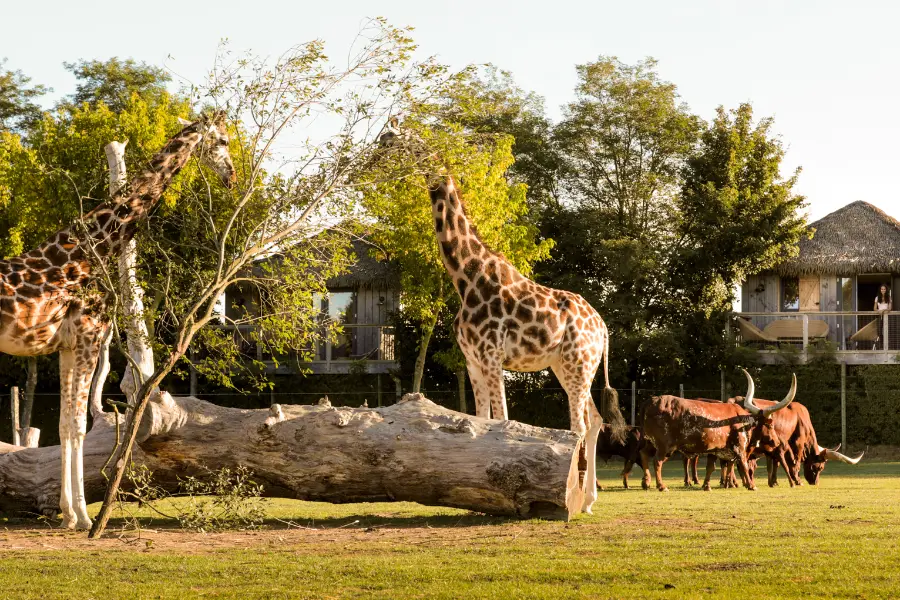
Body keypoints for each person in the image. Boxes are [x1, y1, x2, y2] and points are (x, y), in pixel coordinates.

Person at [874, 284, 892, 349]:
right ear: (880, 290)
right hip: (879, 316)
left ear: (886, 290)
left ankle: (887, 346)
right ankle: (881, 346)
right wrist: (879, 311)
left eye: (884, 289)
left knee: (886, 331)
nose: (883, 290)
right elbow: (874, 308)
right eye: (882, 289)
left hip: (887, 317)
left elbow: (890, 308)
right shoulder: (877, 298)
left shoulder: (889, 297)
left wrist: (883, 310)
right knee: (879, 331)